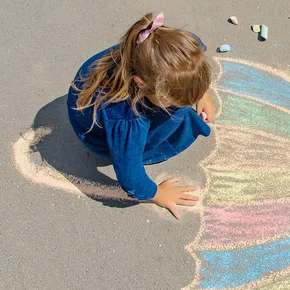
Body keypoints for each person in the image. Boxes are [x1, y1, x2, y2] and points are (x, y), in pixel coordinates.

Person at [67, 12, 216, 219]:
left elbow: (192, 60)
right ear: (141, 83)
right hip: (94, 132)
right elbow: (130, 174)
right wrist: (156, 193)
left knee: (176, 107)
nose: (185, 103)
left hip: (95, 97)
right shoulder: (128, 118)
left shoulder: (155, 48)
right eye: (173, 98)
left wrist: (201, 92)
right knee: (177, 116)